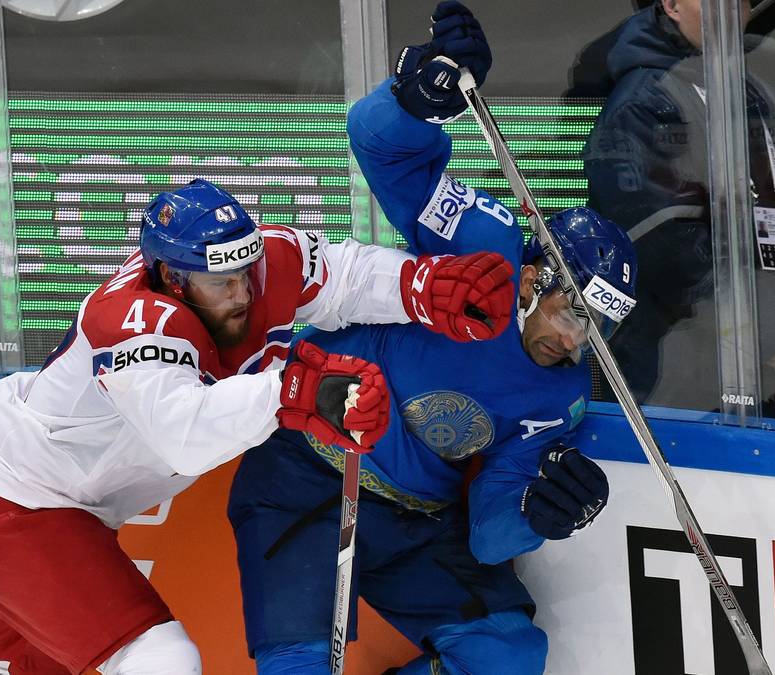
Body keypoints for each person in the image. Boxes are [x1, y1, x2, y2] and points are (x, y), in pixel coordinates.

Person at [0, 177, 516, 675]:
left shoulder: (255, 267)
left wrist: (420, 287)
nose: (242, 293)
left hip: (70, 507)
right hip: (9, 503)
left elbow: (342, 276)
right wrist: (296, 392)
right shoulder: (132, 322)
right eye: (221, 282)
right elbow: (183, 433)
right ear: (170, 277)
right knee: (160, 661)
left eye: (246, 271)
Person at [226, 4, 634, 673]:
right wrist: (418, 100)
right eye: (574, 313)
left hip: (415, 523)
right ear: (535, 276)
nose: (575, 342)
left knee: (508, 655)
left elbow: (490, 528)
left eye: (599, 331)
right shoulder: (486, 247)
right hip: (307, 472)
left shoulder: (560, 397)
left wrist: (538, 512)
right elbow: (378, 143)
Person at [581, 0, 775, 421]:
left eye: (743, 2)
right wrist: (773, 327)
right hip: (672, 367)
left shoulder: (756, 95)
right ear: (673, 5)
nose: (732, 10)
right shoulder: (641, 103)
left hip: (767, 361)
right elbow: (659, 241)